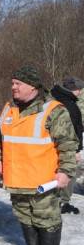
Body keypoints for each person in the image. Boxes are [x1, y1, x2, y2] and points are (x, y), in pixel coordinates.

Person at [0, 66, 78, 245]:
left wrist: (66, 172)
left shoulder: (53, 110)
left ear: (32, 87)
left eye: (18, 84)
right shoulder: (8, 108)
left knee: (47, 218)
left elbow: (68, 145)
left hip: (44, 179)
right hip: (17, 178)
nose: (13, 87)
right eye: (13, 83)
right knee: (24, 216)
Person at [50, 76, 84, 214]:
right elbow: (74, 129)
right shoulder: (69, 104)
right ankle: (63, 202)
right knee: (69, 173)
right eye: (79, 90)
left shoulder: (56, 99)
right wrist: (76, 150)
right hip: (67, 146)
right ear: (73, 89)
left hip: (57, 145)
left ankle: (59, 201)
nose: (80, 93)